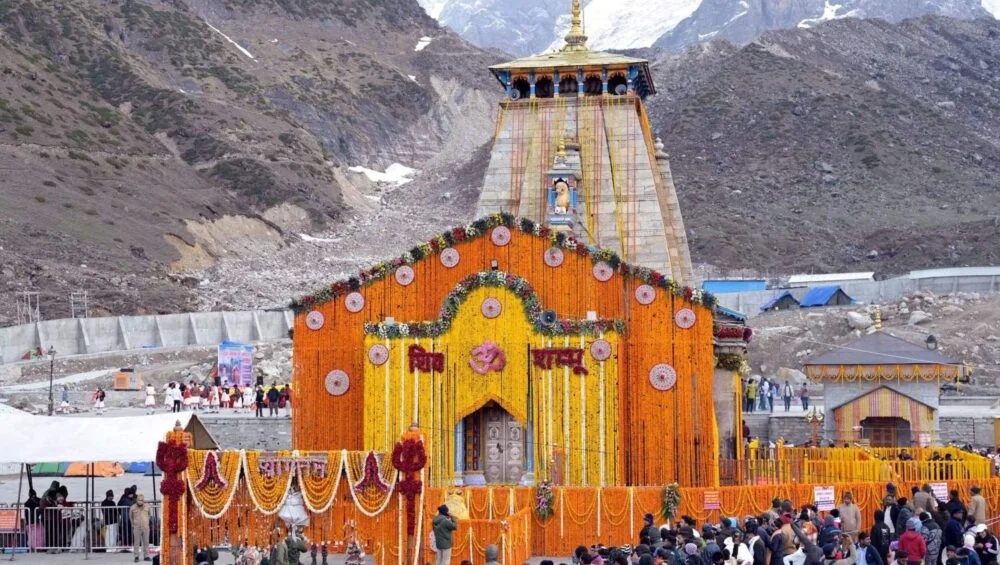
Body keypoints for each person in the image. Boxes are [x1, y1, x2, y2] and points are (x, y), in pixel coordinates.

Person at [129, 493, 151, 562]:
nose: (140, 501)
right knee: (136, 542)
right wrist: (133, 524)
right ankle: (136, 556)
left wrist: (146, 522)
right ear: (136, 500)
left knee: (146, 542)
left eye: (141, 500)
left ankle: (146, 556)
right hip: (136, 527)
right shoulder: (132, 507)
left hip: (145, 527)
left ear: (143, 500)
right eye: (138, 500)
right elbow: (130, 517)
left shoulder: (147, 507)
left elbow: (149, 515)